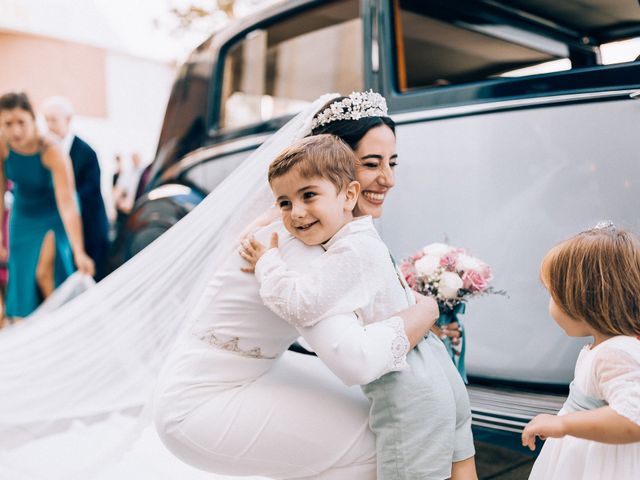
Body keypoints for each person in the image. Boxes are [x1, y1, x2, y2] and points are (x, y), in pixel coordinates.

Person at [0, 93, 448, 478]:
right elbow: (355, 360)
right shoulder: (299, 235)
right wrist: (425, 312)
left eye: (392, 162)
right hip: (201, 405)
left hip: (243, 369)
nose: (388, 178)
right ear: (329, 166)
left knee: (362, 413)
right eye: (371, 164)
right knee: (376, 437)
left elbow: (346, 315)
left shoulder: (319, 227)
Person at [241, 134, 476, 479]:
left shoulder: (350, 253)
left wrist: (268, 263)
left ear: (349, 195)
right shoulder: (364, 239)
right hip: (438, 373)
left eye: (308, 195)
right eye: (285, 203)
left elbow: (300, 304)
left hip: (408, 391)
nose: (297, 213)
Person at [522, 222, 640, 480]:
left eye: (552, 294)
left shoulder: (616, 352)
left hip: (602, 467)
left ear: (581, 299)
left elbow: (634, 416)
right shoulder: (600, 349)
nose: (550, 305)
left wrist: (562, 424)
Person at [0, 92, 94, 320]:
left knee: (45, 273)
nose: (15, 131)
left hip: (53, 212)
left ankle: (64, 323)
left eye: (21, 122)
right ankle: (27, 328)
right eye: (7, 123)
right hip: (22, 215)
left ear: (33, 120)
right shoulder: (3, 147)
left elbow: (68, 202)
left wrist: (79, 250)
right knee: (21, 278)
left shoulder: (52, 150)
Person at [42, 96, 110, 281]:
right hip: (58, 227)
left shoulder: (87, 152)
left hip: (90, 226)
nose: (49, 125)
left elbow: (90, 190)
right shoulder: (46, 152)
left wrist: (61, 199)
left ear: (68, 119)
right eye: (46, 119)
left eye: (54, 119)